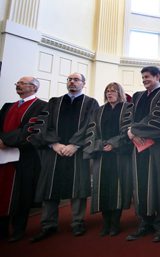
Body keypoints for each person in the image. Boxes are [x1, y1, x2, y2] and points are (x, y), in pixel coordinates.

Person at [30, 73, 99, 242]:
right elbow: (44, 125)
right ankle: (48, 225)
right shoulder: (54, 102)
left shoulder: (90, 103)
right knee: (50, 188)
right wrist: (54, 144)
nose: (72, 82)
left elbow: (92, 126)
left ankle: (77, 222)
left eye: (76, 80)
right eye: (69, 79)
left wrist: (75, 145)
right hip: (55, 151)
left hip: (77, 151)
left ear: (84, 83)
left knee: (77, 188)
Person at [126, 66, 160, 243]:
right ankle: (144, 223)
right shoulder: (138, 96)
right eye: (143, 77)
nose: (144, 80)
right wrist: (131, 131)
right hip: (139, 147)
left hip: (159, 146)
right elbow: (130, 118)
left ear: (157, 76)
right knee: (140, 184)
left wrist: (134, 130)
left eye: (147, 77)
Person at [0, 76, 47, 242]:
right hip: (3, 156)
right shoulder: (7, 106)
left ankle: (18, 230)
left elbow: (33, 130)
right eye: (17, 83)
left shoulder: (42, 107)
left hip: (25, 157)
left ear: (34, 87)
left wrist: (6, 141)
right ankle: (2, 229)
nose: (18, 85)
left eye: (22, 83)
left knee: (22, 194)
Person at [83, 82, 133, 237]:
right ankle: (105, 223)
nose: (109, 94)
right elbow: (91, 131)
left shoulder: (128, 108)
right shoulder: (98, 111)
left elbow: (129, 129)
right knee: (102, 187)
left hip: (119, 154)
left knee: (117, 188)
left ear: (120, 93)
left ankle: (115, 223)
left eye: (113, 91)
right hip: (102, 155)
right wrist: (100, 145)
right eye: (107, 91)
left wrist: (113, 144)